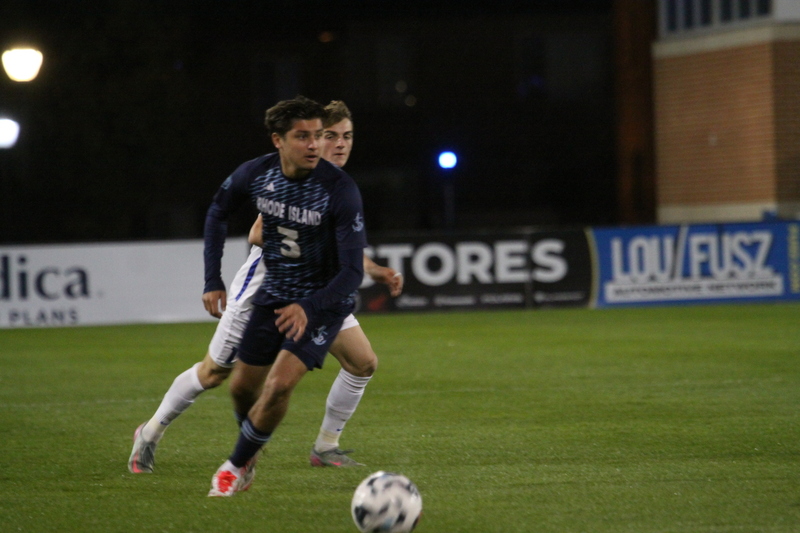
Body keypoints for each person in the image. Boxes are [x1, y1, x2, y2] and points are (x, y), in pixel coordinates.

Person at [128, 100, 401, 475]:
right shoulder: (288, 180)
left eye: (346, 136)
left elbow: (338, 253)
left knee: (362, 362)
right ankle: (150, 432)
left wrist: (371, 269)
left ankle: (325, 446)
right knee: (214, 373)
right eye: (329, 136)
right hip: (263, 287)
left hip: (316, 294)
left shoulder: (336, 187)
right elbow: (260, 232)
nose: (339, 144)